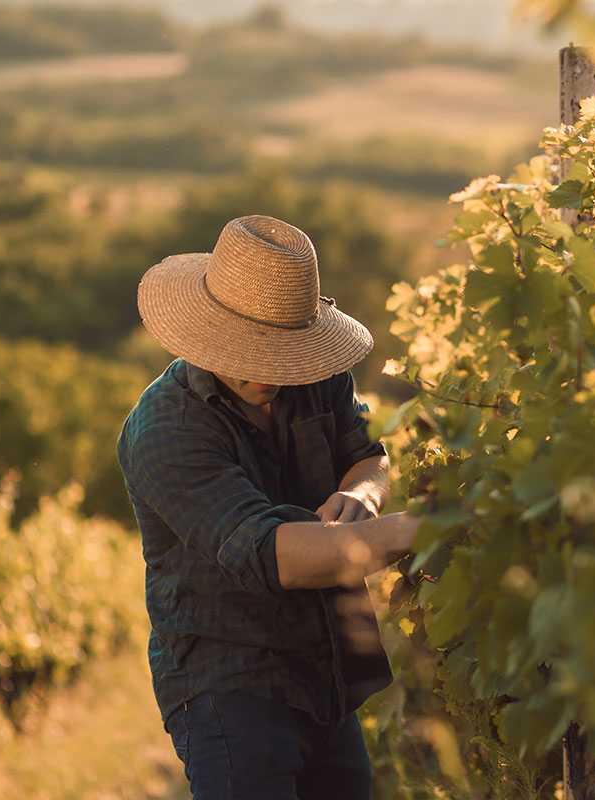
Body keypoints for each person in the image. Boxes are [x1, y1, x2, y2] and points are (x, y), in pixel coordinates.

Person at [117, 214, 420, 799]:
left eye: (283, 347)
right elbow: (273, 555)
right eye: (250, 348)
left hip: (323, 670)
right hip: (229, 684)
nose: (268, 368)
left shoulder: (311, 374)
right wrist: (418, 530)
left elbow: (369, 456)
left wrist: (362, 493)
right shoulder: (165, 430)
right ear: (210, 331)